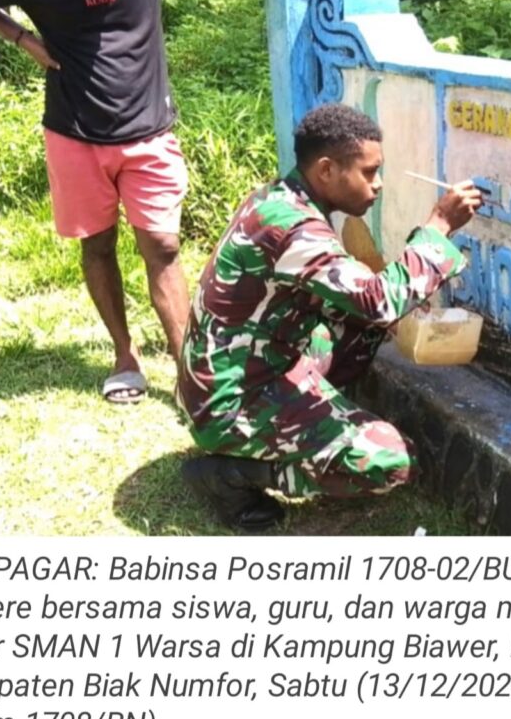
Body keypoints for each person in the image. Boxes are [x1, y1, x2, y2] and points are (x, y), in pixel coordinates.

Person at [0, 0, 374, 403]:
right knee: (98, 246)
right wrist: (20, 38)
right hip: (75, 133)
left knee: (164, 246)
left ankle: (189, 369)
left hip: (149, 131)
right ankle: (125, 355)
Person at [177, 103, 482, 530]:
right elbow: (378, 300)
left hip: (250, 368)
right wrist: (440, 225)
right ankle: (233, 474)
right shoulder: (293, 229)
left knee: (363, 325)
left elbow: (360, 301)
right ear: (326, 170)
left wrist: (400, 301)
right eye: (369, 172)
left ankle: (310, 427)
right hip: (228, 402)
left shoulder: (282, 200)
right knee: (390, 461)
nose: (378, 184)